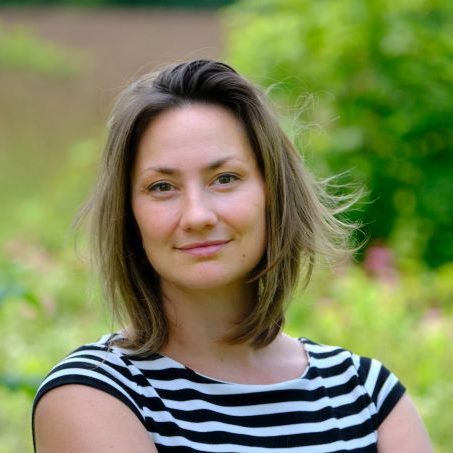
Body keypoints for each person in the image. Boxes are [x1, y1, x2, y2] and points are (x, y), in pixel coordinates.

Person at [32, 59, 432, 452]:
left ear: (273, 194)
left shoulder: (368, 396)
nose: (198, 215)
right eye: (162, 187)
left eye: (225, 179)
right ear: (129, 215)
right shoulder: (93, 394)